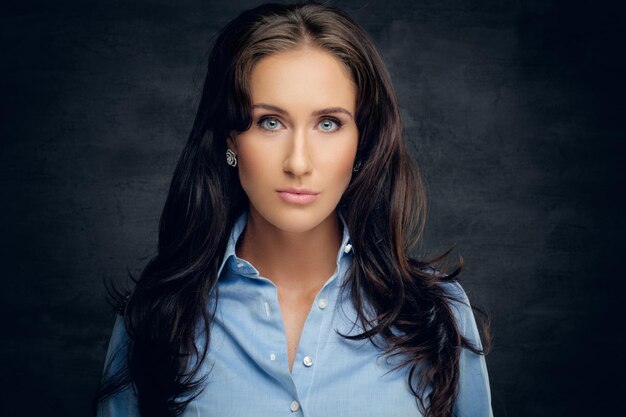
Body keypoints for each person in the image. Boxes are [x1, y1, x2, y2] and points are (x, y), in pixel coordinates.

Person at [93, 2, 493, 417]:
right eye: (270, 122)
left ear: (363, 141)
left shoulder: (437, 313)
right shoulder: (157, 314)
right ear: (230, 138)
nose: (298, 163)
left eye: (328, 124)